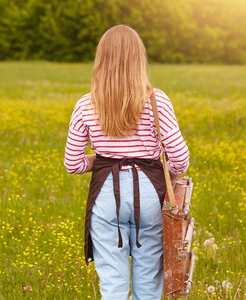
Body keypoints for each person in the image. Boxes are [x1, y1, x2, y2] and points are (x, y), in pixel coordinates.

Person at [64, 25, 189, 300]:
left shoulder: (85, 105)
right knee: (149, 285)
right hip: (149, 196)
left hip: (106, 194)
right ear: (138, 59)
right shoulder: (157, 101)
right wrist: (159, 167)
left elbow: (72, 163)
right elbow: (180, 158)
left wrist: (106, 159)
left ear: (101, 61)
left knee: (113, 286)